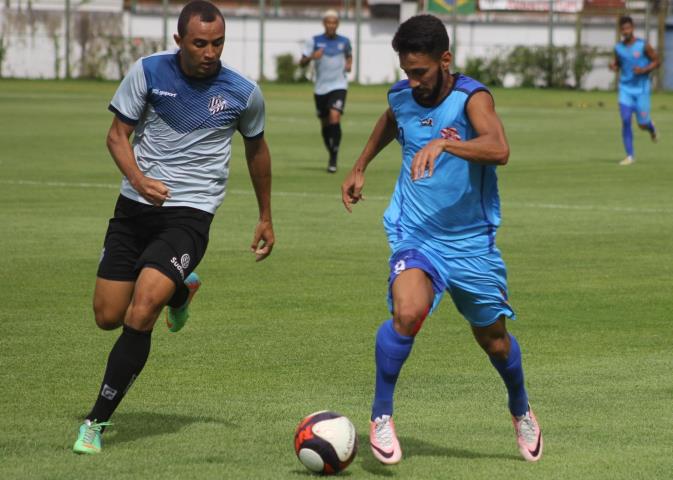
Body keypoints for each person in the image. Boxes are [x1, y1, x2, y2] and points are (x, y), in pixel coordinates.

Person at [72, 0, 274, 454]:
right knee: (108, 316)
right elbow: (116, 136)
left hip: (190, 213)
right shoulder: (147, 73)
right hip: (134, 208)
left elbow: (257, 151)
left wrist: (265, 216)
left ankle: (95, 424)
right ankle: (182, 291)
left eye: (218, 43)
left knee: (140, 312)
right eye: (200, 43)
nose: (210, 52)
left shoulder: (242, 92)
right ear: (179, 40)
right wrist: (140, 181)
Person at [341, 14, 542, 465]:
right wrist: (360, 165)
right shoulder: (403, 94)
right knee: (408, 312)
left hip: (471, 242)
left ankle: (520, 407)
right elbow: (392, 119)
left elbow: (499, 149)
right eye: (406, 72)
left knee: (495, 341)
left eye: (421, 72)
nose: (412, 82)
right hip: (415, 233)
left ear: (445, 60)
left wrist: (446, 144)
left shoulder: (473, 98)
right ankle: (381, 416)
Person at [300, 9, 353, 173]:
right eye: (328, 22)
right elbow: (301, 62)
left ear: (337, 24)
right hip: (320, 88)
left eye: (334, 22)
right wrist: (311, 57)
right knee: (324, 124)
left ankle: (334, 159)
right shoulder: (314, 41)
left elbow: (349, 55)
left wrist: (349, 63)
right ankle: (331, 152)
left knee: (335, 117)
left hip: (339, 86)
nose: (331, 25)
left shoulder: (344, 41)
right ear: (324, 23)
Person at [609, 15, 660, 166]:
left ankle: (651, 127)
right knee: (625, 120)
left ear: (633, 28)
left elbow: (657, 61)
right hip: (625, 89)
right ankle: (630, 155)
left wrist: (644, 69)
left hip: (642, 90)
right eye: (623, 29)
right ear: (620, 30)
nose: (626, 31)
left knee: (642, 123)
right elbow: (619, 63)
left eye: (628, 28)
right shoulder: (618, 48)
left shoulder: (643, 45)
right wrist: (613, 67)